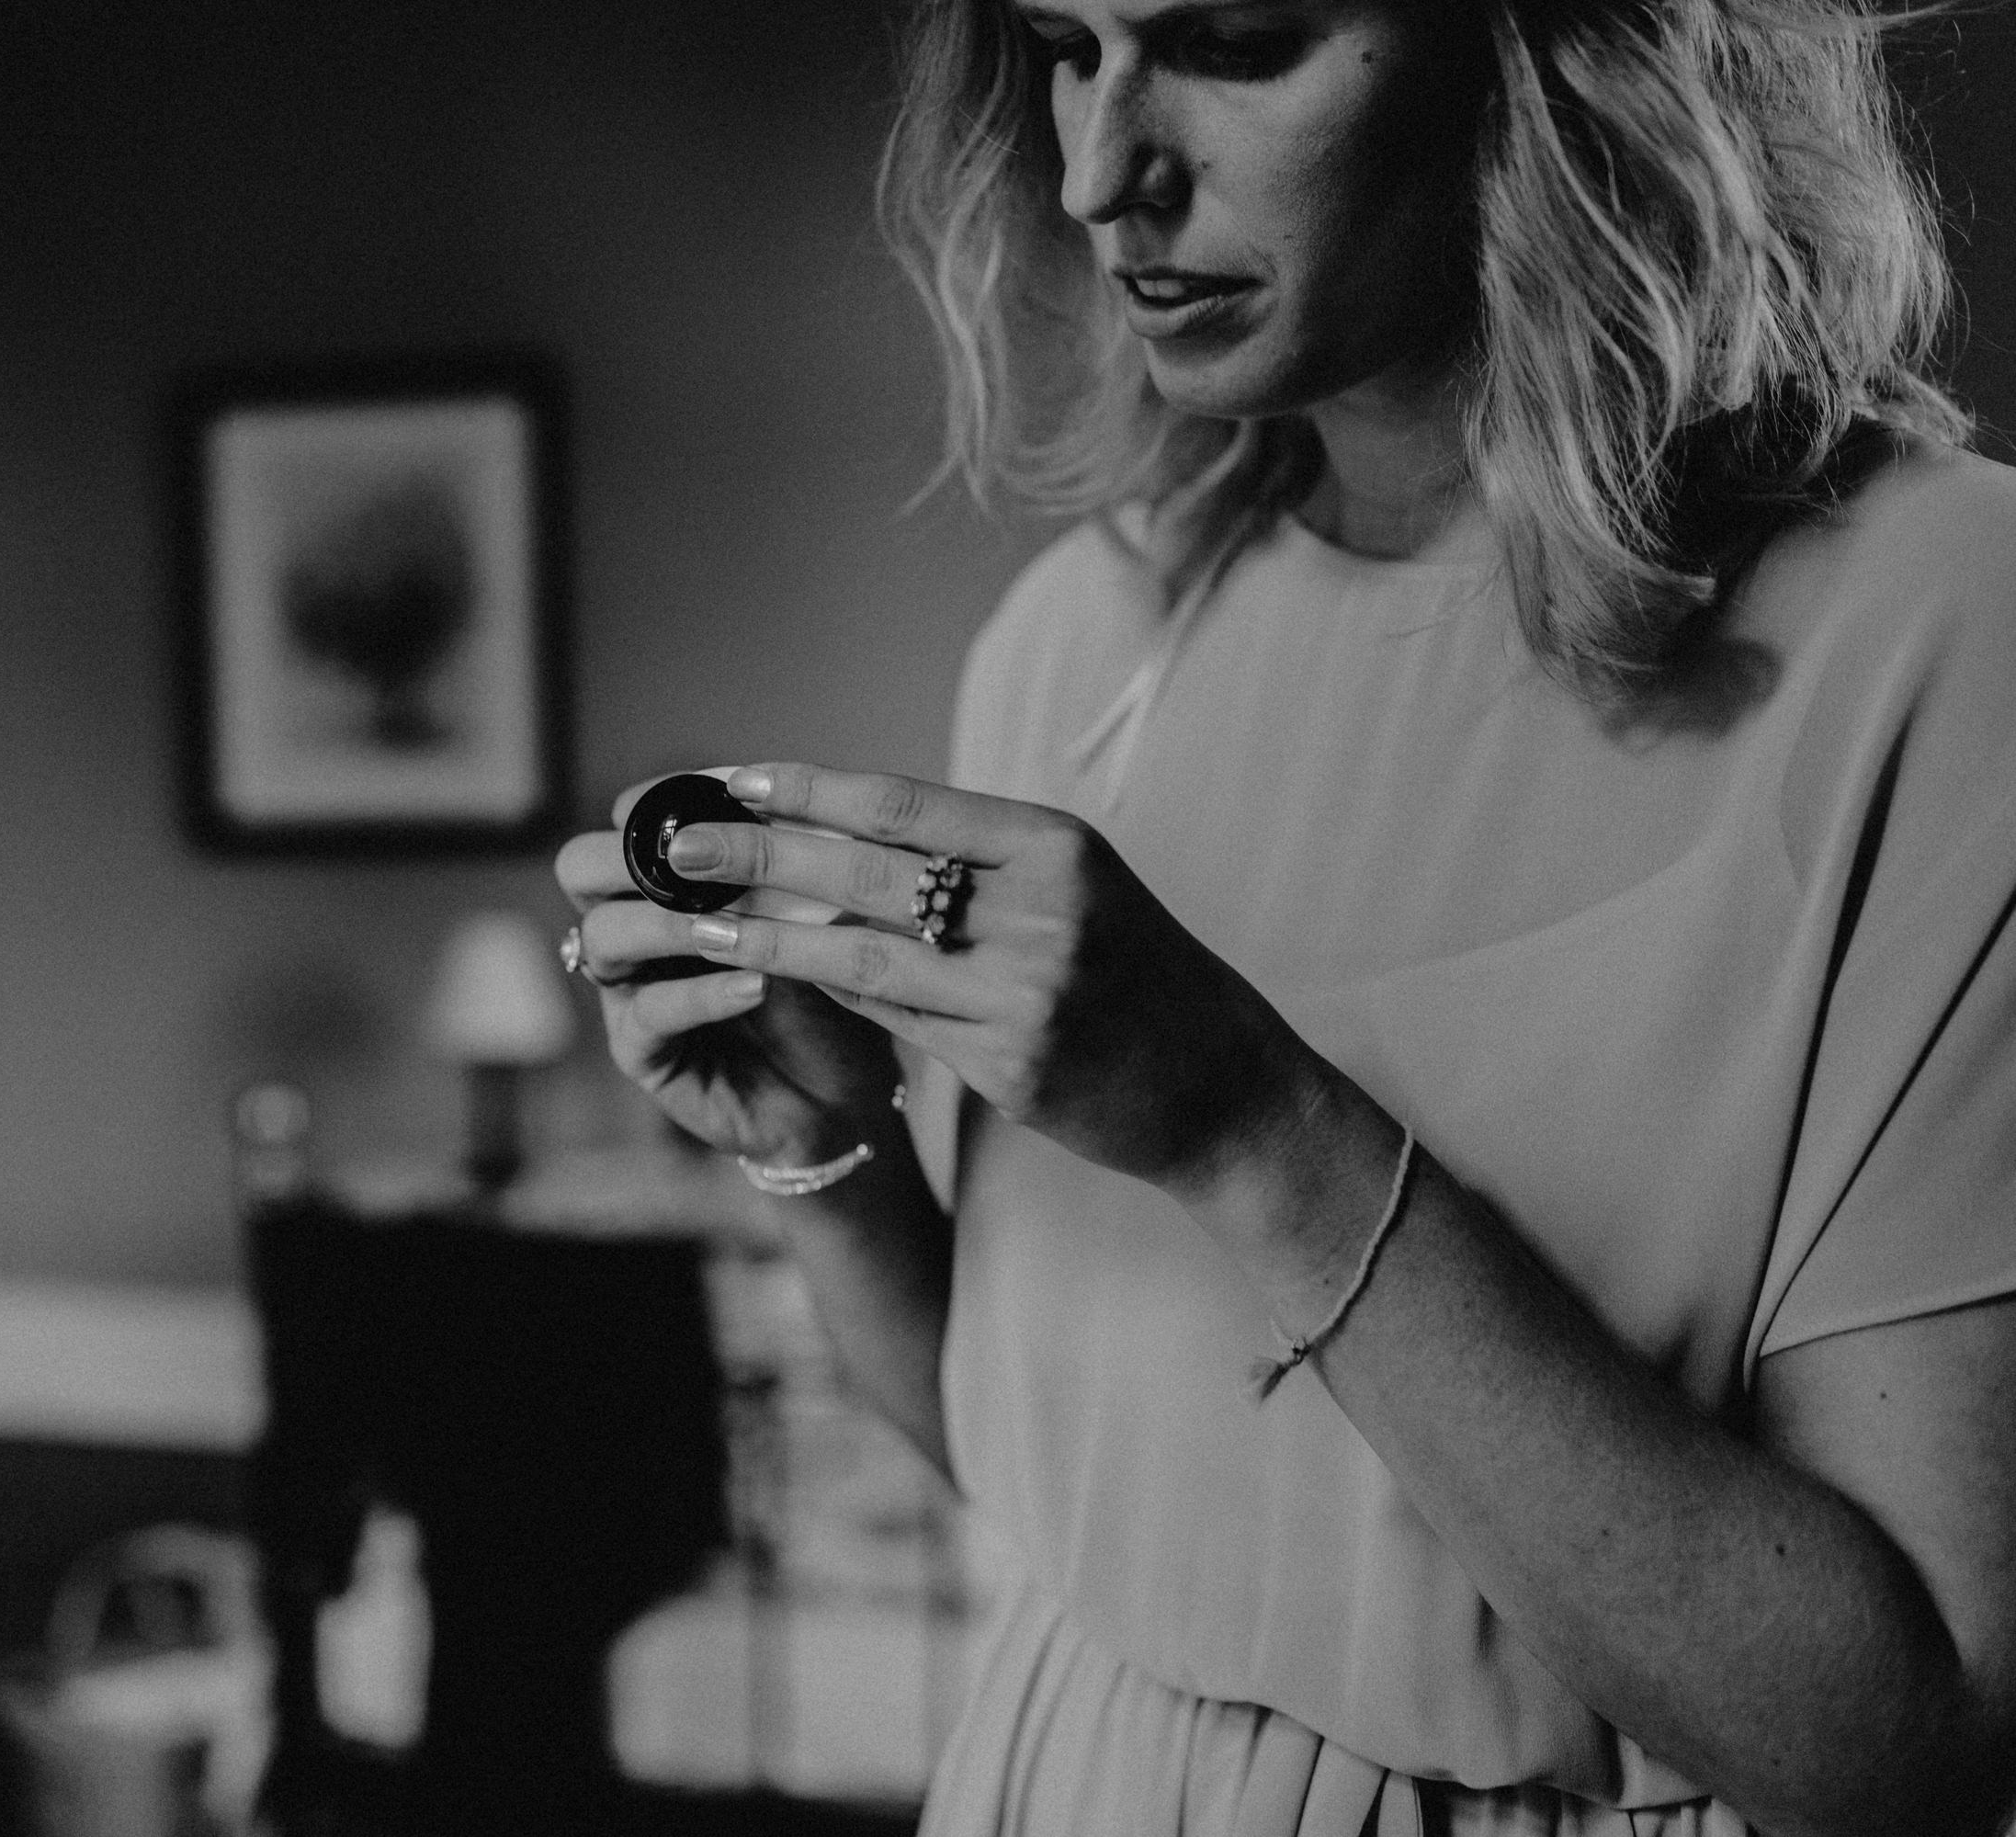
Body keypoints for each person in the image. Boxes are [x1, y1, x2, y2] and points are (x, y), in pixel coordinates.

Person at [557, 0, 2016, 1830]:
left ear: (1560, 47)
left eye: (1229, 43)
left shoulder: (1947, 630)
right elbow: (1091, 1513)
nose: (1100, 173)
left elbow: (1909, 1746)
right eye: (1065, 46)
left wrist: (1253, 1126)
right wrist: (829, 1157)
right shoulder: (1085, 640)